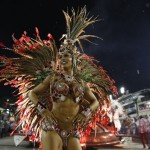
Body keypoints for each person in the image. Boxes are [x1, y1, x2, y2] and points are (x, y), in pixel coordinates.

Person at [0, 6, 117, 150]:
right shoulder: (53, 78)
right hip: (52, 127)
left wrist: (85, 113)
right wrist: (44, 111)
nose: (62, 59)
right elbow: (32, 93)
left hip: (72, 130)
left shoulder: (81, 82)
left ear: (73, 59)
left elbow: (95, 102)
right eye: (60, 56)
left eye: (66, 56)